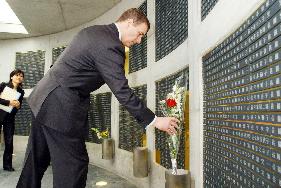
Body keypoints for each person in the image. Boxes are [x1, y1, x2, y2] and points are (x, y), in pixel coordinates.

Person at [16, 8, 179, 188]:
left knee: (35, 162)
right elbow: (121, 90)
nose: (139, 40)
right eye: (140, 34)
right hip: (60, 107)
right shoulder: (110, 44)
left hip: (43, 98)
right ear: (130, 22)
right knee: (73, 166)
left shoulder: (93, 31)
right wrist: (154, 120)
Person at [0, 69, 25, 171]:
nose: (19, 77)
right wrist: (9, 102)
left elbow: (19, 106)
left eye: (21, 76)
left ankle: (7, 165)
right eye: (17, 75)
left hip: (10, 118)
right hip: (0, 114)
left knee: (9, 142)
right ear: (11, 77)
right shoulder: (3, 86)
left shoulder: (21, 91)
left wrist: (18, 105)